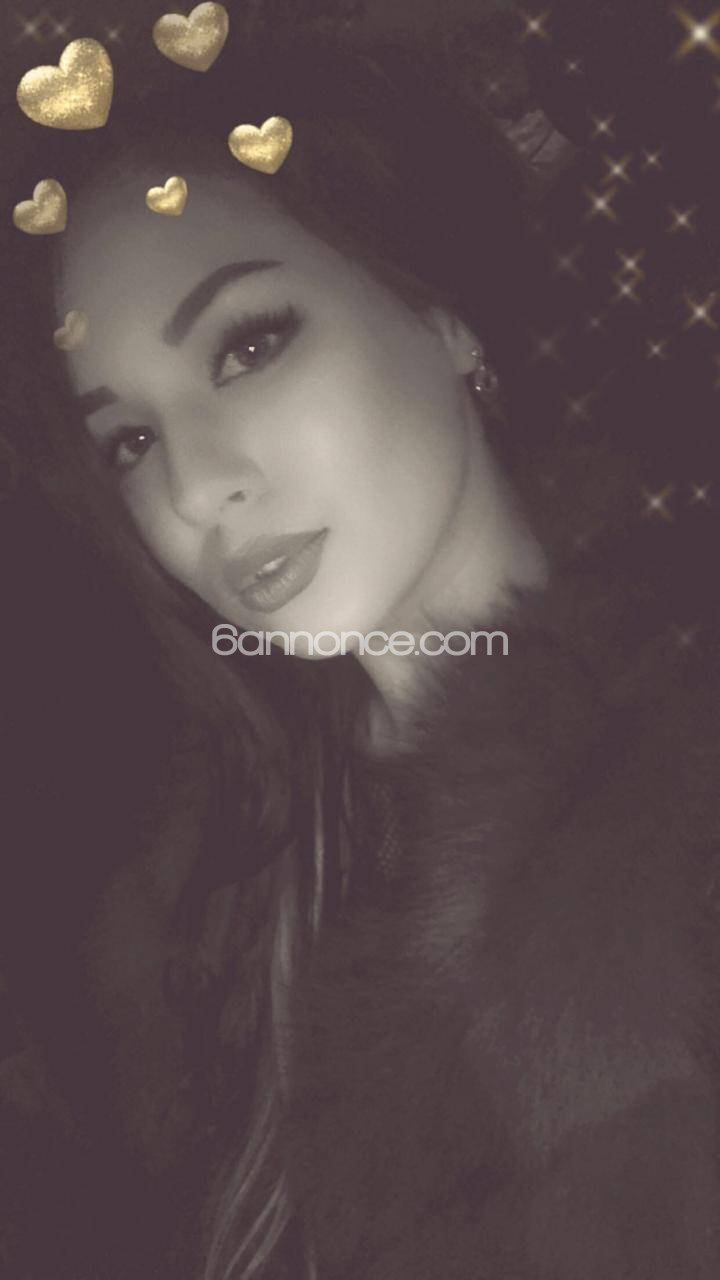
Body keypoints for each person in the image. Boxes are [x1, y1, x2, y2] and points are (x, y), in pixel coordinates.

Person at [1, 12, 719, 1280]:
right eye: (129, 440)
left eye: (249, 344)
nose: (195, 486)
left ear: (439, 317)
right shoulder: (206, 896)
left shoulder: (679, 813)